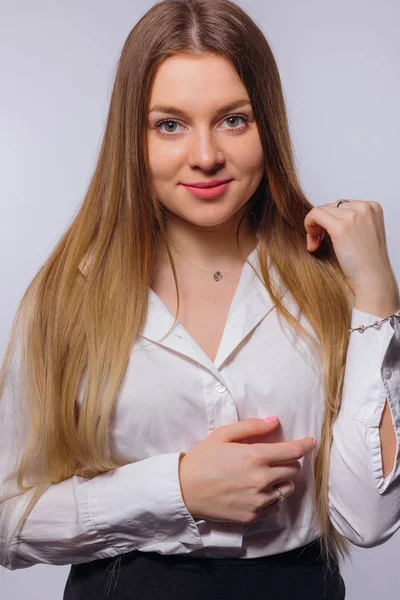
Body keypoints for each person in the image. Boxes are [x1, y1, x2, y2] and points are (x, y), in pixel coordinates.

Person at [1, 0, 400, 598]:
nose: (206, 155)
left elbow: (367, 521)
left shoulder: (329, 284)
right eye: (170, 124)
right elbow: (9, 519)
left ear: (268, 122)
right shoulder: (68, 296)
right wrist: (176, 490)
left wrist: (376, 297)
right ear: (132, 138)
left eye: (233, 120)